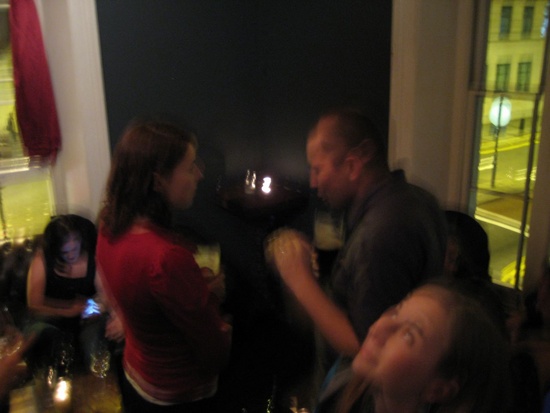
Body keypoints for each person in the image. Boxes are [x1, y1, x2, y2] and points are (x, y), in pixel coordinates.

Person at [266, 108, 447, 403]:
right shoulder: (416, 198)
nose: (313, 183)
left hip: (361, 396)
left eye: (318, 169)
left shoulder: (381, 232)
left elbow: (363, 345)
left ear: (352, 166)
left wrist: (298, 278)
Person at [96, 118, 231, 412]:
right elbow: (214, 350)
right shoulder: (165, 258)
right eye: (190, 167)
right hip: (178, 393)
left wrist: (192, 290)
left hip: (136, 374)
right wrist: (211, 300)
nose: (199, 174)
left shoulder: (108, 227)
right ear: (158, 181)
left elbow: (139, 301)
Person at [323, 279, 512, 413]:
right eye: (396, 312)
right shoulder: (347, 393)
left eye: (408, 335)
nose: (378, 327)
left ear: (438, 390)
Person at [25, 214, 123, 373]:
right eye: (65, 252)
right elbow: (34, 305)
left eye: (74, 249)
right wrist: (67, 310)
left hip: (86, 320)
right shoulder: (42, 259)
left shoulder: (92, 258)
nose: (71, 255)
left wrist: (110, 313)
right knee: (43, 336)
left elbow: (106, 295)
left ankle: (97, 381)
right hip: (52, 319)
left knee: (93, 344)